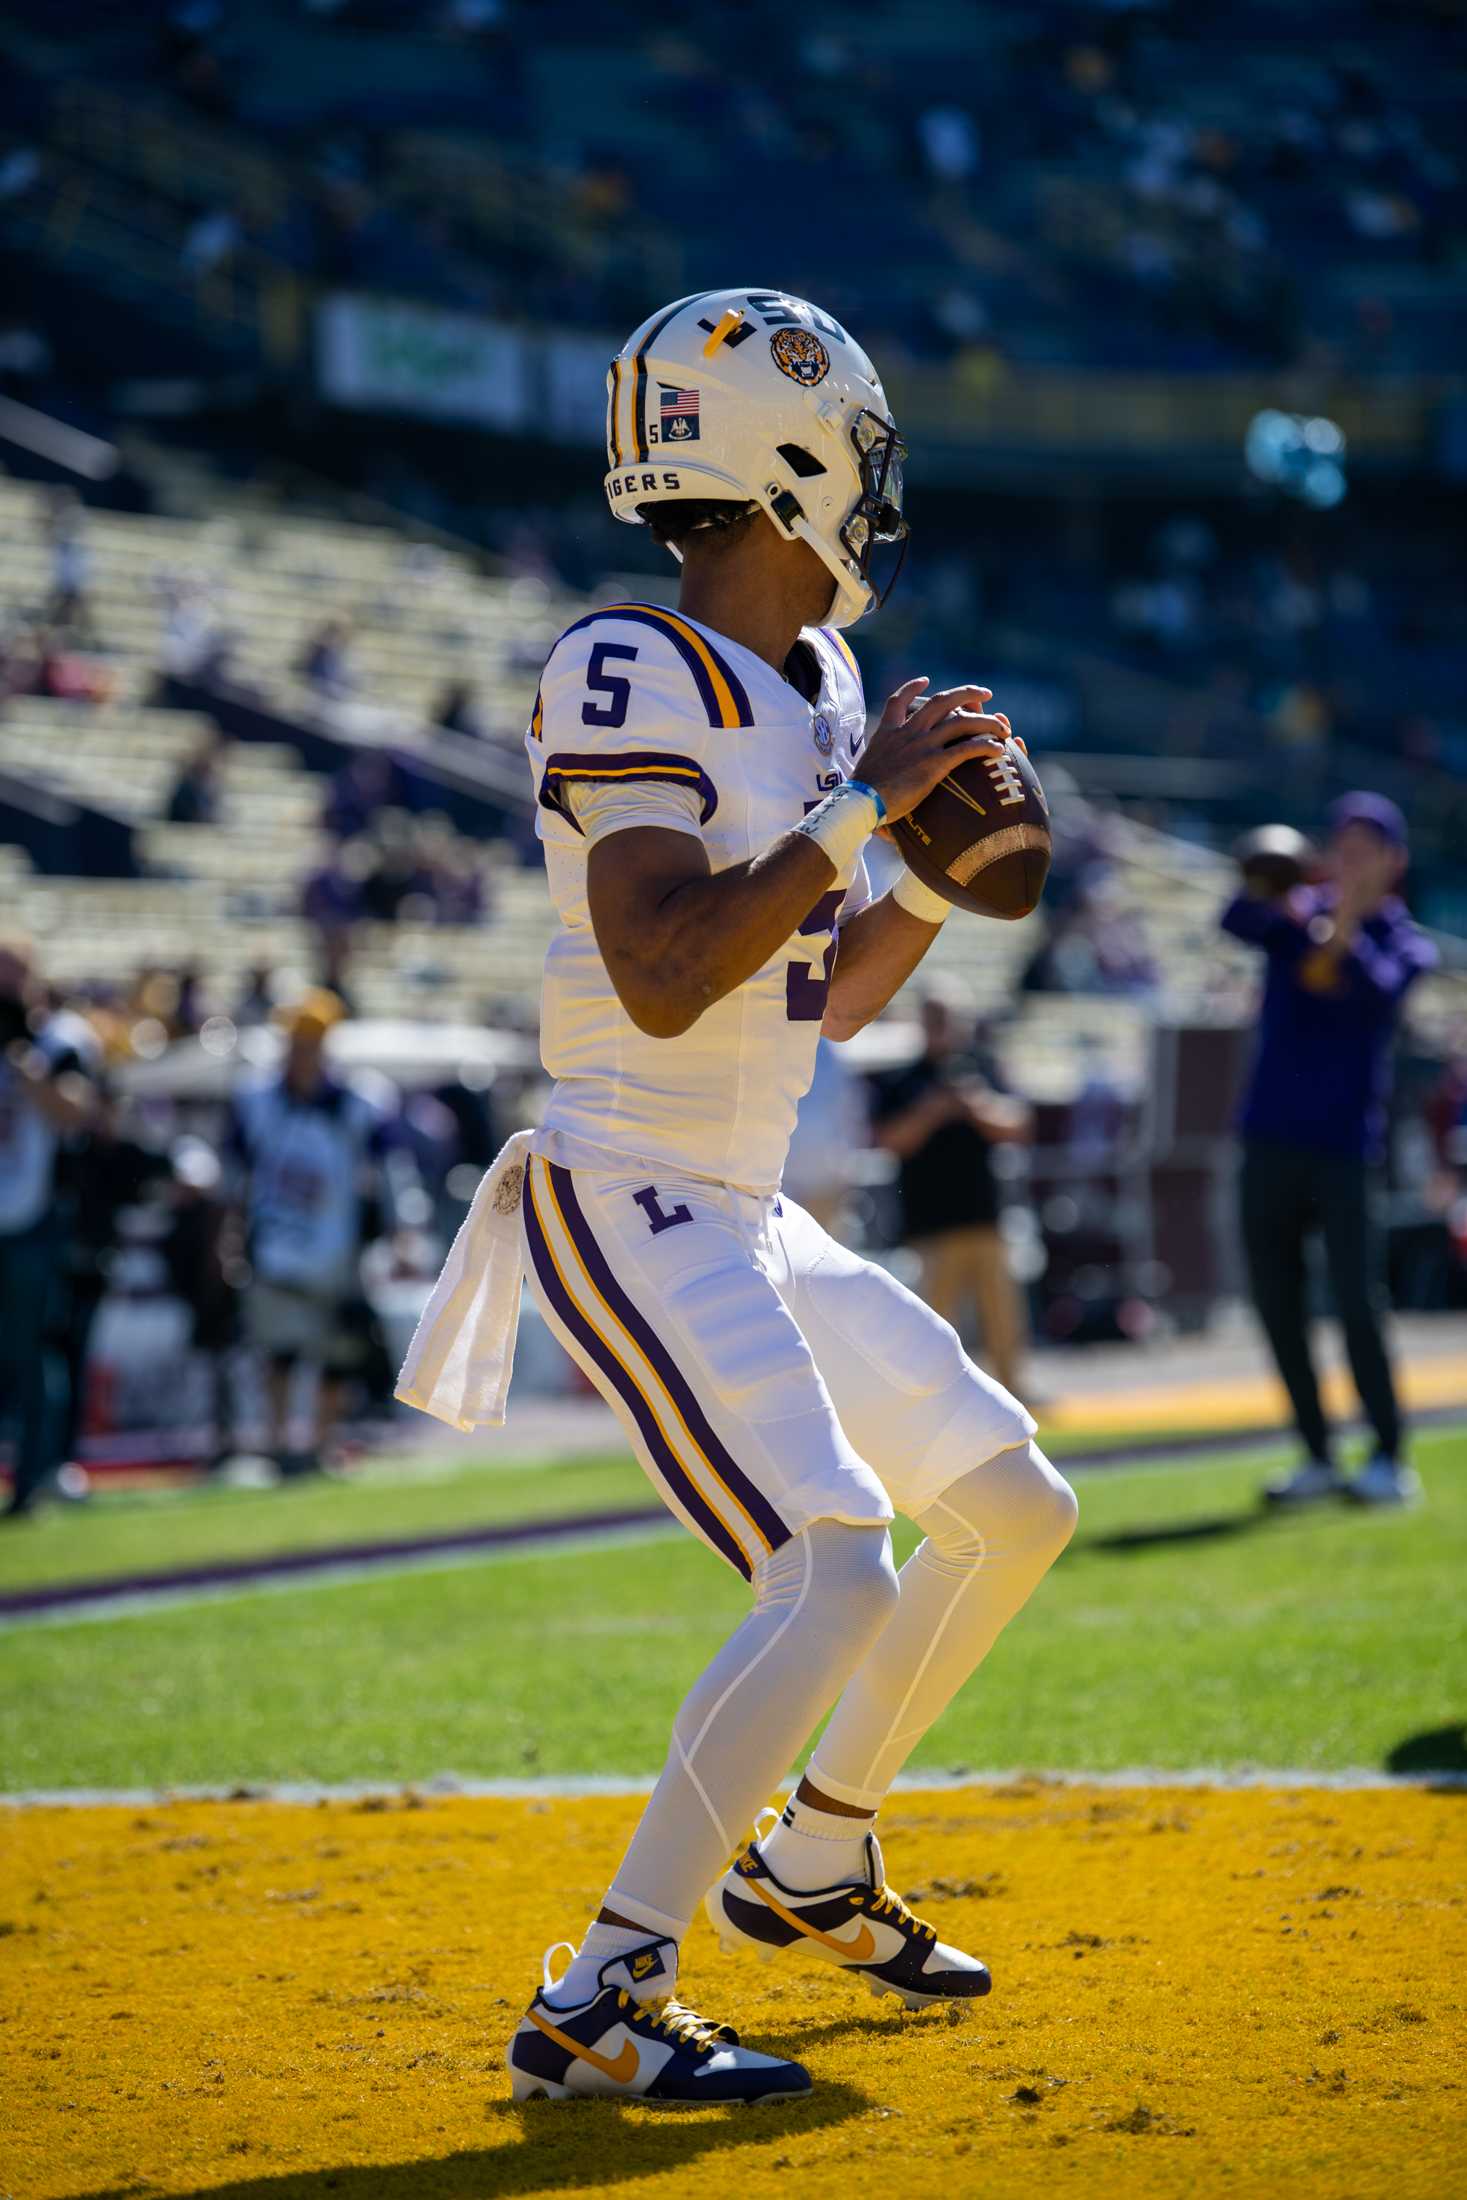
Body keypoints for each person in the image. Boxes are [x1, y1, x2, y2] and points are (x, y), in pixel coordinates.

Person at [410, 288, 1079, 2105]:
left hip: (750, 1196)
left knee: (1012, 1502)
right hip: (625, 1185)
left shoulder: (826, 685)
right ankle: (605, 1994)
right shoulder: (625, 661)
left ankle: (817, 1853)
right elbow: (662, 973)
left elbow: (820, 988)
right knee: (832, 1563)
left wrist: (928, 866)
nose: (873, 490)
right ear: (783, 464)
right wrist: (864, 814)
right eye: (851, 455)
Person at [1221, 793, 1438, 1507]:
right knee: (1276, 1302)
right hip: (1267, 1138)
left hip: (1345, 1148)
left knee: (1355, 1304)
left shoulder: (1404, 941)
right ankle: (1315, 1454)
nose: (1346, 859)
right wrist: (1282, 889)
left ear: (1392, 862)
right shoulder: (1294, 915)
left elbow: (1374, 993)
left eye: (1363, 847)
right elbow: (1234, 917)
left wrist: (1337, 922)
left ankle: (1386, 1455)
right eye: (1339, 844)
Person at [228, 990, 398, 1475]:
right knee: (279, 1350)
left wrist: (398, 1229)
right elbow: (234, 1174)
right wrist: (232, 1237)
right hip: (275, 1242)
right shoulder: (257, 1099)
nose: (305, 1051)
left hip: (336, 1245)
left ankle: (321, 1444)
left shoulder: (360, 1101)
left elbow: (388, 1170)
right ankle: (280, 1444)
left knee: (336, 1353)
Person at [873, 994, 1033, 1396]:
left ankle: (1014, 1389)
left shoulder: (980, 1067)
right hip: (931, 1223)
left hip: (984, 1217)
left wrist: (974, 1105)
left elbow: (1018, 1126)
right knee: (936, 1322)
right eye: (934, 1020)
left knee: (1003, 1316)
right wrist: (932, 1111)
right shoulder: (904, 1078)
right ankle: (938, 1397)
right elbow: (889, 1141)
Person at [0, 941, 98, 1518]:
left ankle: (35, 1475)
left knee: (32, 1348)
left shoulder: (59, 1042)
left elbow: (76, 1113)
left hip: (35, 1218)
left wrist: (24, 1062)